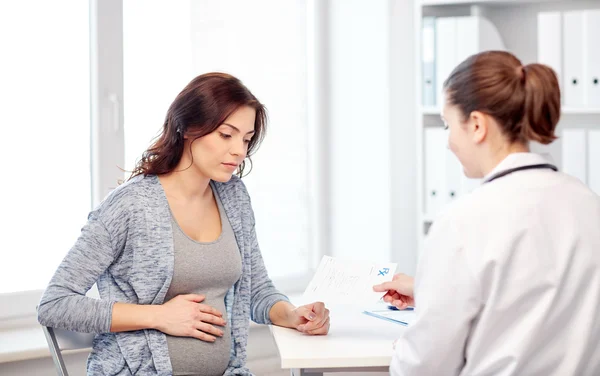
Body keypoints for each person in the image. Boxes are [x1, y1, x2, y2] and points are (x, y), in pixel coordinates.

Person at [38, 72, 330, 376]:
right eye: (226, 135)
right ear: (188, 128)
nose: (239, 152)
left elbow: (256, 290)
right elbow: (55, 304)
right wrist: (159, 316)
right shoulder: (130, 206)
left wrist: (293, 315)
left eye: (246, 139)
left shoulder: (234, 197)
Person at [374, 51, 600, 375]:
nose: (449, 142)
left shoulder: (463, 221)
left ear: (477, 125)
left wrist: (404, 351)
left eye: (447, 124)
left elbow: (421, 367)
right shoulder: (589, 204)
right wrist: (429, 291)